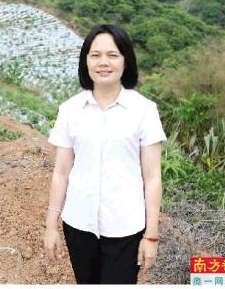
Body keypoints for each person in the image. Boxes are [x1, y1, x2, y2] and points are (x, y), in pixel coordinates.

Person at [43, 24, 167, 284]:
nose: (103, 62)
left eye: (112, 55)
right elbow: (61, 172)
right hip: (79, 224)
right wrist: (51, 226)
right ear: (85, 61)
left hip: (125, 227)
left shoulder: (144, 110)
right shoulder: (70, 110)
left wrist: (151, 236)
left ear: (125, 61)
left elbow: (152, 178)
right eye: (95, 55)